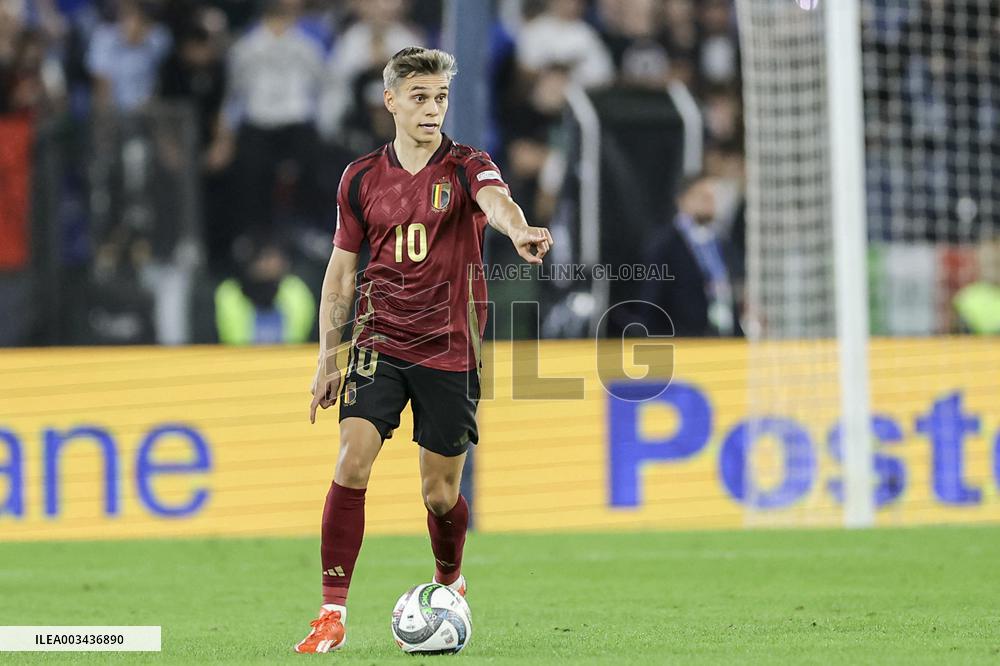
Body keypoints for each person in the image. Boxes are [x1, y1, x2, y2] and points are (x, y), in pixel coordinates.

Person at [295, 47, 553, 653]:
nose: (432, 109)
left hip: (449, 345)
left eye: (440, 98)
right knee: (350, 461)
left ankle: (448, 581)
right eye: (419, 97)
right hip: (379, 339)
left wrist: (518, 230)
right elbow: (339, 275)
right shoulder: (360, 178)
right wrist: (327, 357)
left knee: (439, 493)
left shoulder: (467, 165)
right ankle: (331, 613)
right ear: (391, 102)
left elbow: (499, 201)